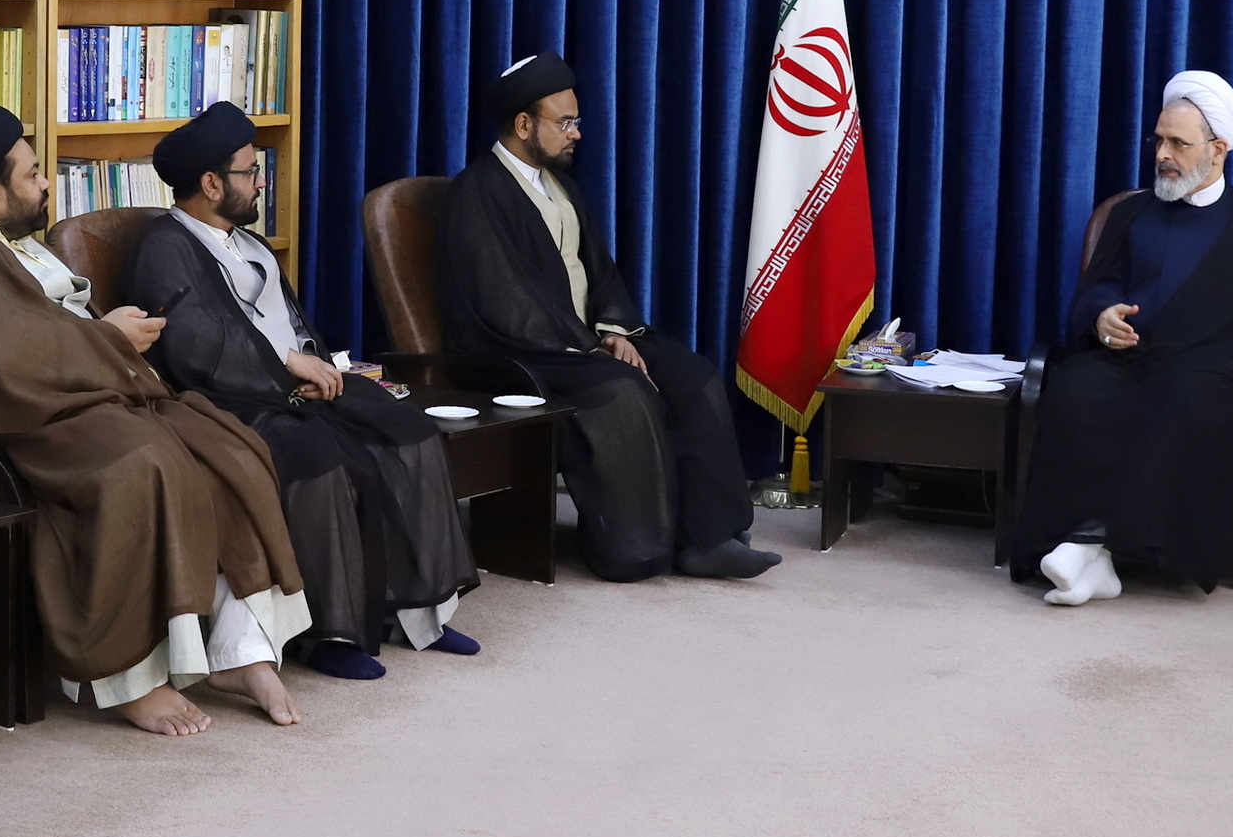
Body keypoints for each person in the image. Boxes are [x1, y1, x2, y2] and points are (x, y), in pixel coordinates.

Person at [0, 106, 310, 737]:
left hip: (76, 394)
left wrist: (110, 337)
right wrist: (109, 341)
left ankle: (238, 653)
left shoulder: (4, 241)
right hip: (12, 423)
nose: (44, 186)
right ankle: (129, 678)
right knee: (145, 465)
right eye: (33, 175)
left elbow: (43, 329)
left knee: (227, 447)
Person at [122, 102, 479, 680]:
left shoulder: (248, 242)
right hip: (231, 402)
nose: (261, 180)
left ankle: (418, 611)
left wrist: (315, 365)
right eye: (249, 170)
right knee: (321, 463)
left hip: (296, 383)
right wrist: (287, 367)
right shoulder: (165, 246)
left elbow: (293, 324)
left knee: (408, 429)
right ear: (212, 184)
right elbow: (196, 343)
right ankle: (330, 633)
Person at [438, 54, 779, 583]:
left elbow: (599, 270)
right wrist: (588, 348)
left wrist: (614, 330)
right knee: (625, 392)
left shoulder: (560, 185)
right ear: (524, 124)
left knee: (693, 376)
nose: (577, 132)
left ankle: (709, 537)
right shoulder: (476, 193)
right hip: (522, 353)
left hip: (585, 340)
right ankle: (633, 550)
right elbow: (505, 302)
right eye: (565, 122)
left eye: (576, 120)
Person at [1012, 71, 1233, 604]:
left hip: (1211, 364)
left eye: (1178, 143)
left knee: (1187, 400)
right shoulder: (1132, 212)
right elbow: (1099, 285)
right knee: (1075, 389)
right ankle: (1090, 551)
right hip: (1128, 356)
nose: (1162, 153)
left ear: (1218, 149)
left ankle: (1095, 547)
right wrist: (1101, 316)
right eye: (1160, 139)